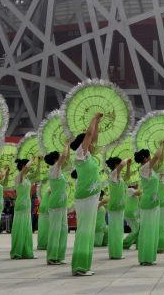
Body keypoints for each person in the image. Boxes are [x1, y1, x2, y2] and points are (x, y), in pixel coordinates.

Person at [71, 112, 104, 276]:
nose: (91, 143)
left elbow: (94, 136)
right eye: (88, 141)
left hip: (91, 198)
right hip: (85, 198)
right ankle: (79, 266)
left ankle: (83, 264)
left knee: (88, 231)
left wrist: (97, 123)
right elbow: (90, 135)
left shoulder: (88, 156)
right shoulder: (79, 155)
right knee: (84, 230)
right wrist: (94, 118)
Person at [135, 142, 164, 266]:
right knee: (147, 229)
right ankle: (144, 257)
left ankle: (149, 257)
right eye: (148, 157)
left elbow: (160, 159)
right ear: (145, 159)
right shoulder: (144, 168)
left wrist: (163, 149)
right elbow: (157, 156)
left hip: (154, 202)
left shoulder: (151, 170)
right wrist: (161, 145)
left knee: (152, 229)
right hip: (147, 202)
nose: (150, 159)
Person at [45, 141, 70, 266]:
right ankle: (51, 257)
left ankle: (59, 256)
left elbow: (67, 157)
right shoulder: (55, 168)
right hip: (55, 204)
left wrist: (69, 146)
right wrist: (66, 143)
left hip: (62, 204)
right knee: (55, 230)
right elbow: (64, 157)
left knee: (64, 229)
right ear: (56, 159)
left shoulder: (58, 169)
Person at [107, 157, 131, 259]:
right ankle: (115, 253)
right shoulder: (112, 175)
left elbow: (128, 176)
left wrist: (129, 165)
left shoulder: (119, 177)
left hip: (119, 207)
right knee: (115, 230)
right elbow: (122, 165)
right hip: (114, 207)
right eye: (119, 164)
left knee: (118, 230)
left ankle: (115, 252)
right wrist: (127, 159)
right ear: (116, 165)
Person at [10, 158, 35, 260]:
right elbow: (27, 167)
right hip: (20, 205)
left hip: (27, 205)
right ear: (23, 166)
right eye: (27, 167)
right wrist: (32, 159)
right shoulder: (19, 177)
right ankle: (17, 252)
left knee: (26, 229)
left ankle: (27, 252)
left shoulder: (27, 178)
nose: (29, 168)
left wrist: (37, 164)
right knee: (20, 229)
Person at [123, 185, 141, 250]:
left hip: (133, 214)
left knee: (137, 229)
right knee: (136, 230)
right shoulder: (130, 190)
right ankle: (124, 243)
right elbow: (139, 193)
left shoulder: (133, 191)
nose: (137, 184)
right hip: (130, 214)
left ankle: (137, 245)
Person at [37, 183, 50, 250]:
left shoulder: (49, 187)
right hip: (46, 210)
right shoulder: (50, 188)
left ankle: (43, 244)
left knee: (44, 228)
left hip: (44, 209)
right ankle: (44, 244)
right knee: (45, 228)